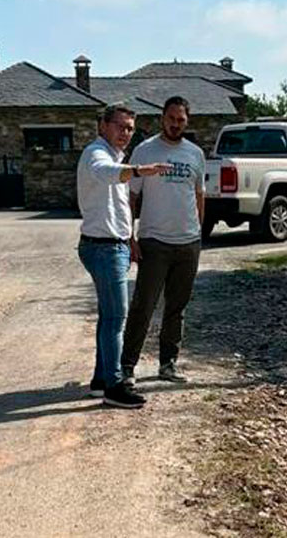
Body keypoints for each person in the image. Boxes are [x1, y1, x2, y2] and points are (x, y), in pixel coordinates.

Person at [77, 104, 170, 409]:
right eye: (120, 126)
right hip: (103, 248)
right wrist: (141, 171)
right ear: (103, 125)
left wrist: (128, 238)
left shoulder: (115, 156)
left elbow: (119, 208)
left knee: (109, 316)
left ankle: (101, 379)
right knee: (117, 317)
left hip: (111, 244)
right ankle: (115, 385)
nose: (125, 133)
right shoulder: (97, 154)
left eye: (130, 128)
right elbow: (105, 174)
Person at [121, 96, 206, 386]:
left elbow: (199, 194)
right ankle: (127, 367)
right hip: (154, 241)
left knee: (177, 307)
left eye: (181, 120)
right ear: (162, 118)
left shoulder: (195, 154)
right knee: (143, 306)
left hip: (188, 243)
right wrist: (130, 236)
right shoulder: (145, 151)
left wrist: (199, 233)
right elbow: (131, 196)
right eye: (171, 118)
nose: (175, 124)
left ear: (187, 121)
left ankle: (168, 364)